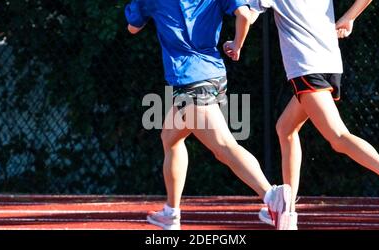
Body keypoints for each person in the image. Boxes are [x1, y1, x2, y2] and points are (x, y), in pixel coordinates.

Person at [229, 0, 379, 230]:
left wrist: (236, 44)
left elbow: (246, 14)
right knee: (285, 128)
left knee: (337, 136)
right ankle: (287, 211)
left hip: (307, 67)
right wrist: (350, 17)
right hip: (329, 63)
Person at [125, 0, 292, 230]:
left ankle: (273, 196)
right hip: (212, 75)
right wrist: (237, 45)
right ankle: (171, 213)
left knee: (223, 146)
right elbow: (244, 14)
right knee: (170, 138)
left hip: (190, 81)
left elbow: (133, 27)